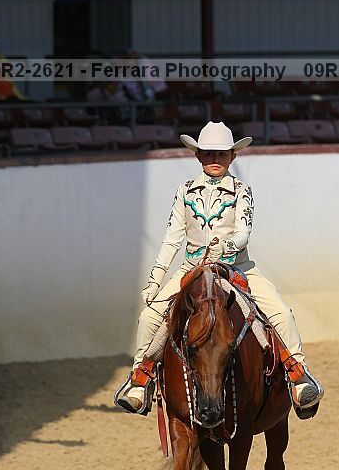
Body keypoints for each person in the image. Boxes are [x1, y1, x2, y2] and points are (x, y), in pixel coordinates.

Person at [117, 121, 324, 416]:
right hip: (191, 269)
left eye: (222, 154)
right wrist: (155, 280)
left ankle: (297, 375)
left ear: (232, 156)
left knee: (280, 313)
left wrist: (226, 246)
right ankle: (140, 379)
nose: (216, 159)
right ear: (198, 155)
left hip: (237, 268)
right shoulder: (184, 191)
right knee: (150, 317)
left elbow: (243, 232)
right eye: (209, 154)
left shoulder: (242, 190)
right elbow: (171, 239)